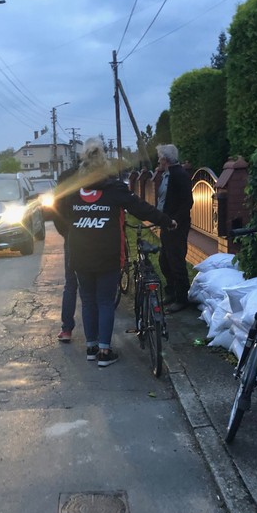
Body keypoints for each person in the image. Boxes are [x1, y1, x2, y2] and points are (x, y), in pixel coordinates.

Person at [57, 137, 176, 368]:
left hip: (79, 254)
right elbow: (141, 209)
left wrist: (71, 234)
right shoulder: (114, 189)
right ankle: (104, 351)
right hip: (107, 255)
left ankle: (91, 348)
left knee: (88, 300)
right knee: (104, 301)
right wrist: (167, 221)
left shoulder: (72, 192)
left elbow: (57, 215)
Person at [155, 144, 194, 313]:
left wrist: (175, 220)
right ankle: (171, 292)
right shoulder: (167, 174)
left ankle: (181, 299)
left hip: (177, 226)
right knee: (164, 260)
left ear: (165, 159)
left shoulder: (179, 175)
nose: (158, 160)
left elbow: (188, 202)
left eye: (159, 157)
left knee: (176, 261)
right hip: (167, 224)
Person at [52, 167, 78, 343]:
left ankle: (67, 328)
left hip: (72, 236)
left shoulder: (65, 177)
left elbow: (56, 210)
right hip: (98, 236)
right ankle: (99, 336)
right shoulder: (101, 175)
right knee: (94, 289)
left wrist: (66, 233)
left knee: (71, 284)